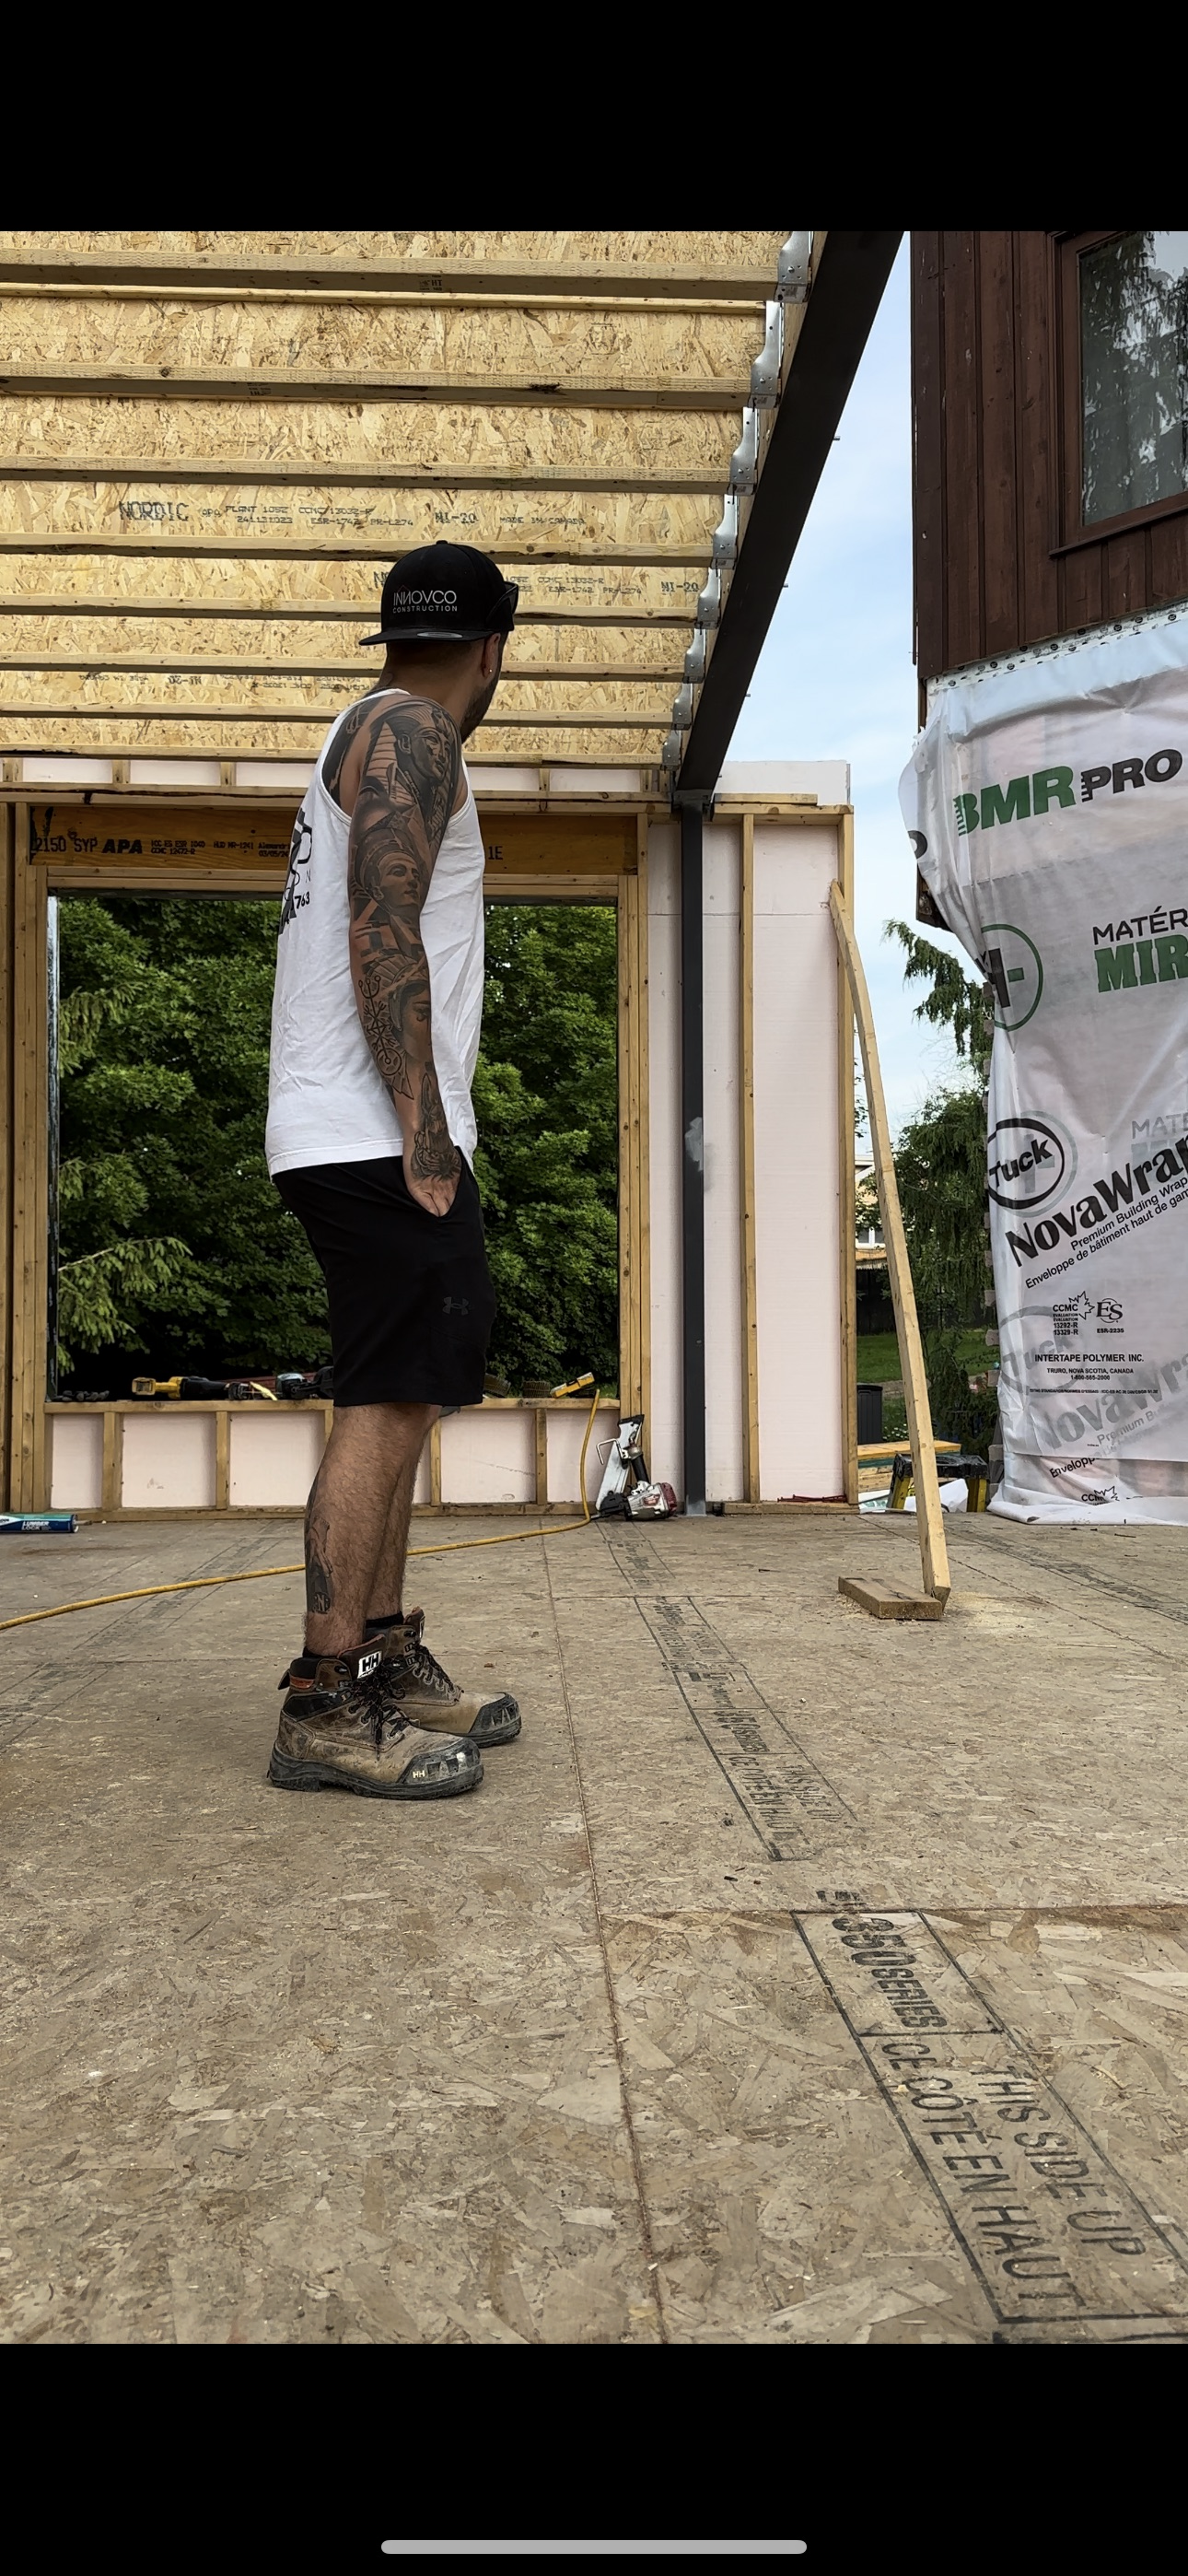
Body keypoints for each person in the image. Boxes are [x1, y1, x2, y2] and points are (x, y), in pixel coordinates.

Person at [263, 542, 521, 1799]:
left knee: (409, 1390)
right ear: (494, 647)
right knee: (382, 1397)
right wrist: (424, 1130)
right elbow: (382, 923)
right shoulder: (414, 729)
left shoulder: (374, 718)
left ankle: (378, 1654)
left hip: (359, 1125)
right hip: (373, 1131)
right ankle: (322, 1702)